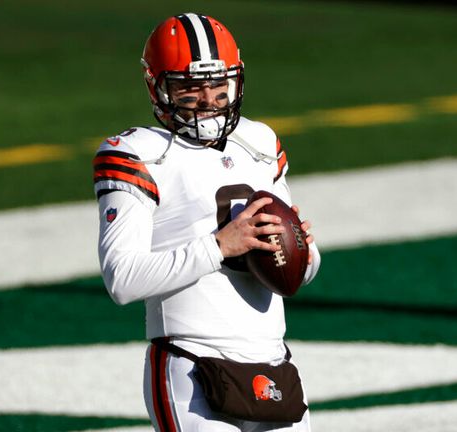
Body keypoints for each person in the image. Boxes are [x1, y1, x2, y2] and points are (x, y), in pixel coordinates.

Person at [93, 12, 321, 432]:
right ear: (157, 86)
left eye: (219, 86)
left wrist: (301, 250)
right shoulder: (139, 153)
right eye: (190, 89)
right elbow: (121, 279)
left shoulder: (259, 142)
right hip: (192, 363)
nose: (208, 100)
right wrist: (219, 246)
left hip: (273, 361)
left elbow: (302, 272)